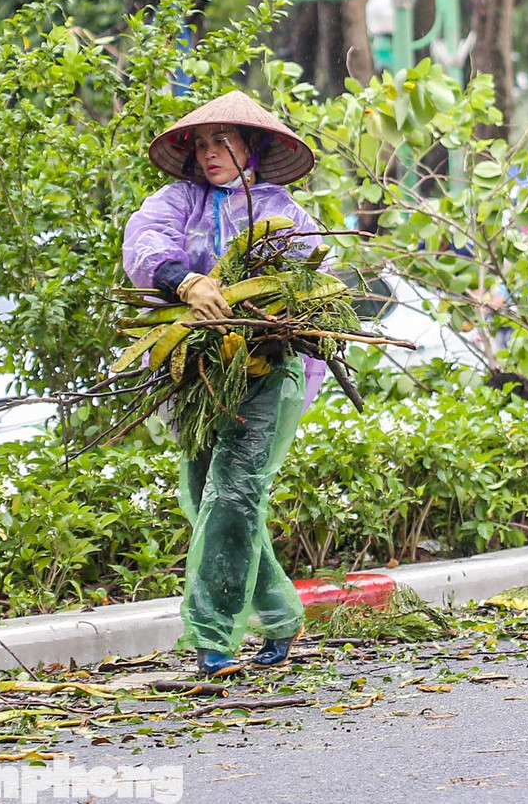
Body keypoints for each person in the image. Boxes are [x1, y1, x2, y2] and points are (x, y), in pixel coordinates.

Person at [122, 90, 323, 679]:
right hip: (197, 368)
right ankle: (282, 617)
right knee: (202, 492)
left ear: (250, 146)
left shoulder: (285, 211)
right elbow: (144, 243)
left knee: (234, 492)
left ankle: (213, 638)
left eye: (223, 141)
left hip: (267, 368)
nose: (210, 153)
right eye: (202, 144)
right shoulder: (176, 200)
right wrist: (184, 281)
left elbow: (310, 276)